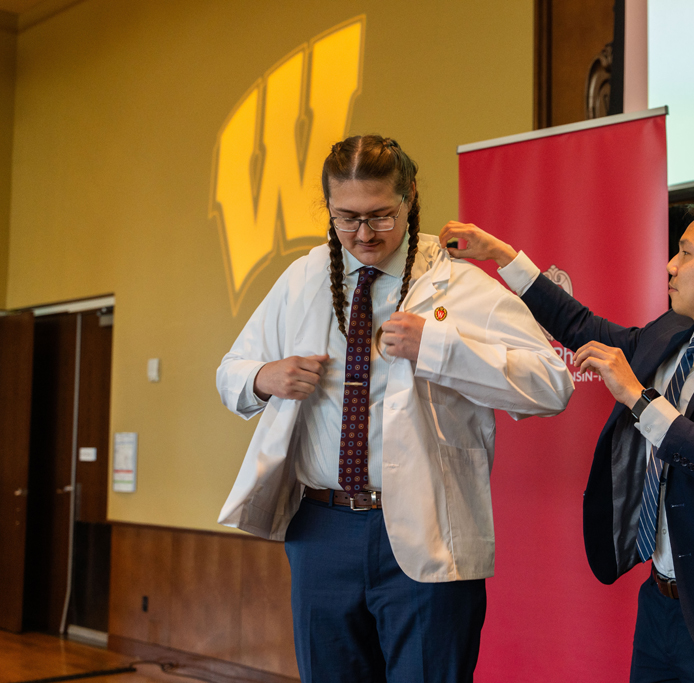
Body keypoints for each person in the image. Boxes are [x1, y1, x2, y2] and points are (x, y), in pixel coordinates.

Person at [215, 135, 573, 683]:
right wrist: (265, 378)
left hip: (426, 524)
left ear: (410, 197)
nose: (363, 234)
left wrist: (439, 347)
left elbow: (551, 383)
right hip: (321, 529)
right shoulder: (304, 278)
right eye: (346, 218)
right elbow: (230, 372)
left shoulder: (458, 282)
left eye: (381, 215)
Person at [440, 202, 694, 683]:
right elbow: (583, 328)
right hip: (658, 607)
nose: (670, 265)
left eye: (684, 252)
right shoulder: (673, 331)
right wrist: (500, 255)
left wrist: (641, 401)